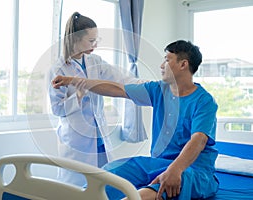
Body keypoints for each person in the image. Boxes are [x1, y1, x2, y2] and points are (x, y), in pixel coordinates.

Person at [52, 40, 219, 200]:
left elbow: (198, 141)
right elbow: (115, 88)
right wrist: (73, 81)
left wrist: (175, 169)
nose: (161, 66)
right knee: (112, 172)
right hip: (158, 163)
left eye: (167, 60)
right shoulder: (158, 90)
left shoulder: (204, 102)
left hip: (193, 169)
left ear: (183, 64)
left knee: (162, 186)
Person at [49, 12, 141, 187]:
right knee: (75, 188)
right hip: (76, 140)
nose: (95, 45)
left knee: (102, 184)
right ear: (75, 39)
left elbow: (120, 78)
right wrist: (77, 96)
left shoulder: (95, 61)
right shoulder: (58, 69)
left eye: (96, 40)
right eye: (91, 41)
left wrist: (147, 86)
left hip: (99, 136)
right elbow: (57, 109)